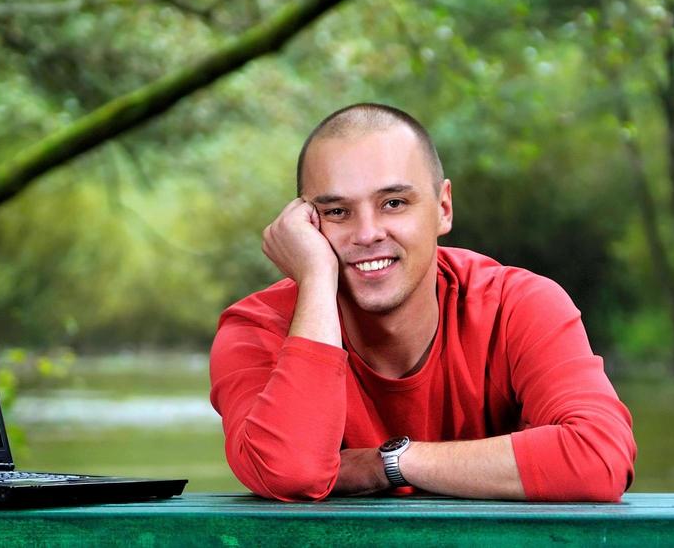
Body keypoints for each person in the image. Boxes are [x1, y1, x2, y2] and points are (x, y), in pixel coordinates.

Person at [209, 103, 636, 502]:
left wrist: (390, 462)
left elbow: (598, 457)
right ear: (303, 224)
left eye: (393, 203)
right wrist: (317, 278)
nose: (367, 233)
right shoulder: (255, 329)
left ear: (443, 207)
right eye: (337, 212)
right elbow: (291, 472)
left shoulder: (517, 306)